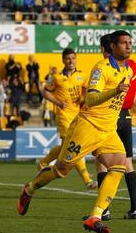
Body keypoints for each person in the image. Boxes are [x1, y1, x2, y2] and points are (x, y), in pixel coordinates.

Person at [17, 30, 133, 233]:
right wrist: (115, 91)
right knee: (61, 170)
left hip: (108, 130)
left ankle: (95, 216)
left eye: (130, 43)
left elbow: (119, 98)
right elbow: (91, 99)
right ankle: (29, 189)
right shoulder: (101, 68)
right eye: (124, 43)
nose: (128, 46)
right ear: (112, 47)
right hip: (87, 127)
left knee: (119, 166)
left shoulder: (129, 71)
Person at [95, 33, 136, 220]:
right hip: (126, 116)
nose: (128, 46)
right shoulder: (135, 67)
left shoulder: (103, 69)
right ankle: (134, 208)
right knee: (128, 162)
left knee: (101, 163)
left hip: (108, 117)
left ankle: (104, 210)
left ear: (104, 49)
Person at [38, 48, 97, 190]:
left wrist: (83, 98)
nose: (71, 61)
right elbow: (45, 92)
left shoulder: (82, 76)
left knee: (67, 148)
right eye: (68, 59)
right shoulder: (56, 77)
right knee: (72, 146)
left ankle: (43, 163)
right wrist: (58, 102)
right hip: (63, 116)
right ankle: (87, 180)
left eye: (73, 58)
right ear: (63, 60)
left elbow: (87, 92)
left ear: (76, 59)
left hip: (77, 116)